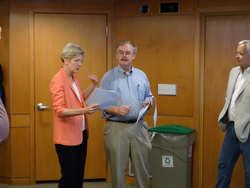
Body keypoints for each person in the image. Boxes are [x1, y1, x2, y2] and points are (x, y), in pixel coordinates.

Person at [99, 40, 153, 188]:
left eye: (127, 53)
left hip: (138, 127)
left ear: (133, 56)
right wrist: (116, 110)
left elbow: (149, 96)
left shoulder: (142, 75)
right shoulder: (108, 77)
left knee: (142, 169)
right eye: (121, 53)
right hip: (116, 128)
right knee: (117, 170)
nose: (124, 56)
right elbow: (101, 104)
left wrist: (148, 103)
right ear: (117, 55)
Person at [49, 43, 100, 188]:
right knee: (69, 176)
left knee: (79, 175)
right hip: (66, 138)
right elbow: (60, 110)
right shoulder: (57, 80)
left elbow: (79, 98)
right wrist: (85, 111)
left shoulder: (74, 78)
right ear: (66, 59)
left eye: (81, 61)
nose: (80, 64)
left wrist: (93, 85)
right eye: (77, 60)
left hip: (81, 133)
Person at [216, 40, 250, 188]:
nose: (237, 56)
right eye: (237, 52)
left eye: (241, 53)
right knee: (223, 166)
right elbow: (229, 96)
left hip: (248, 131)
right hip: (231, 129)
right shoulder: (233, 72)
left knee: (249, 171)